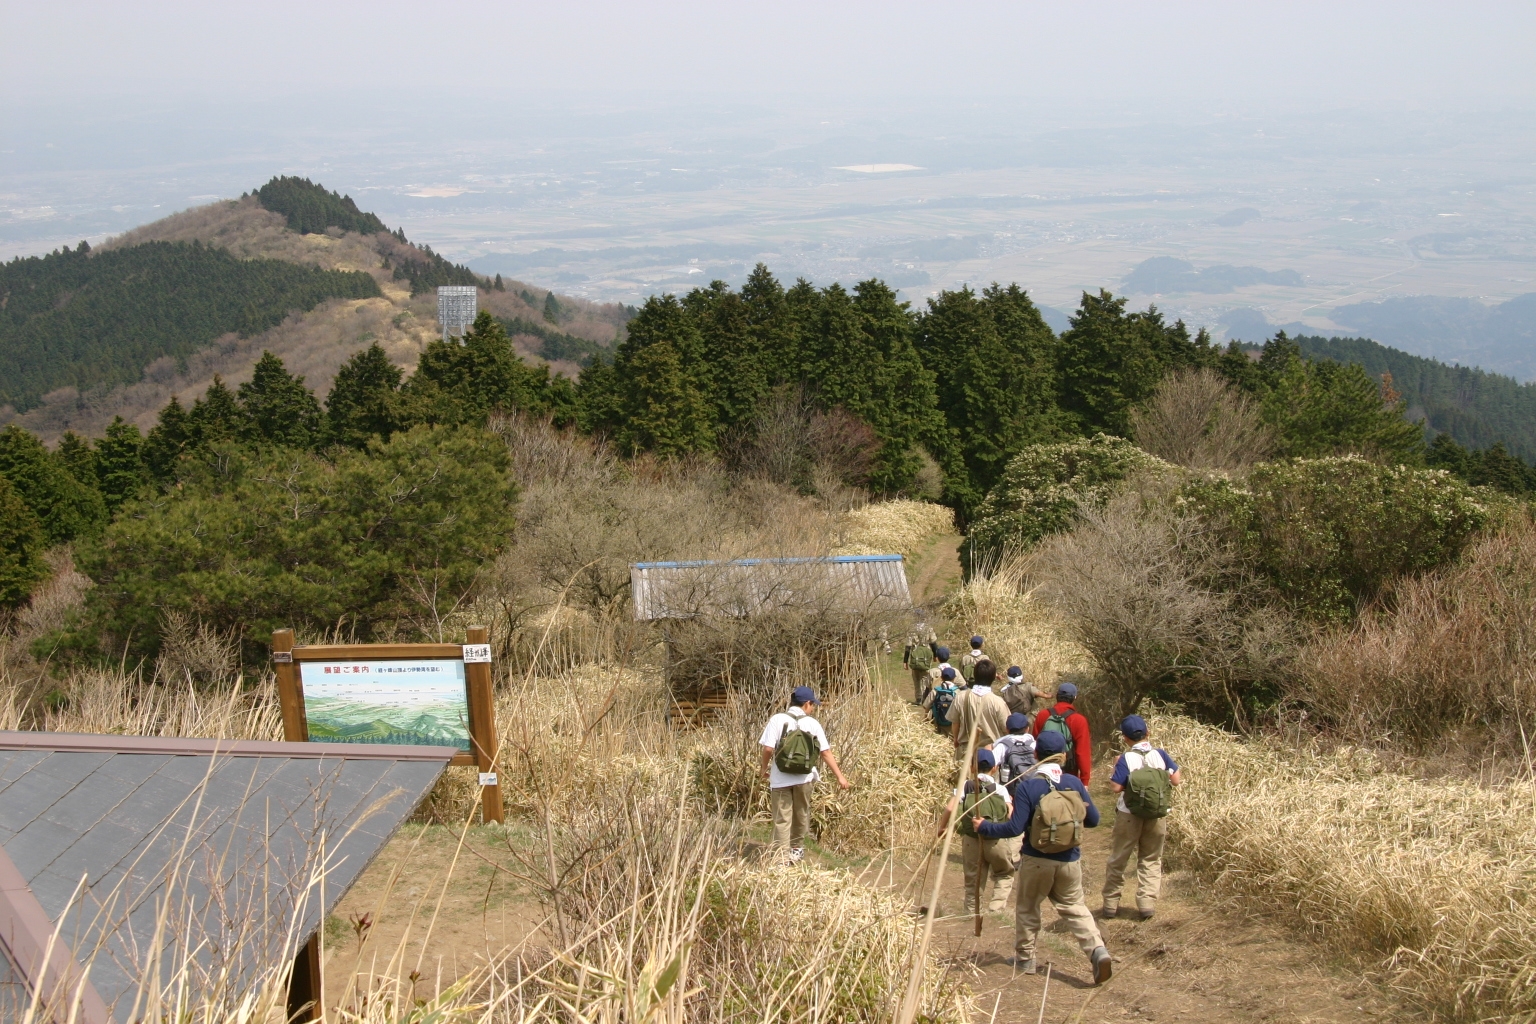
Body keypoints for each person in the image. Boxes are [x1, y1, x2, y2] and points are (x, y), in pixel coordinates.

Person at [975, 730, 1112, 984]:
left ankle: (1025, 958)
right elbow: (1094, 820)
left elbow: (1014, 828)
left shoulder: (1029, 786)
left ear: (1036, 754)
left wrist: (985, 827)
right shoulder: (1074, 783)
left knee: (1028, 908)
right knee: (1075, 908)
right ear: (1063, 755)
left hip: (1036, 859)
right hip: (1070, 860)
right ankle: (1097, 950)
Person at [1102, 715, 1182, 921]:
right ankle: (1147, 904)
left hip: (1129, 814)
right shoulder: (1160, 754)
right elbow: (1176, 780)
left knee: (1119, 857)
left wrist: (1116, 766)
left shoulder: (1126, 758)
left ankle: (1110, 903)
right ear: (1148, 733)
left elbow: (1116, 787)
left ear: (1125, 738)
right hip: (1156, 813)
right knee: (1151, 858)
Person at [758, 685, 850, 864]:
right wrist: (840, 776)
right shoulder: (812, 724)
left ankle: (780, 858)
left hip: (780, 778)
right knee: (801, 813)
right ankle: (796, 850)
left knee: (782, 818)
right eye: (813, 705)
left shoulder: (777, 719)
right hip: (804, 778)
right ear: (807, 703)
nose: (813, 708)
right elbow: (825, 753)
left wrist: (763, 768)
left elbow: (768, 749)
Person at [937, 748, 1018, 914]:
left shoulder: (965, 786)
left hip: (971, 840)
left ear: (972, 768)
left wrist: (942, 828)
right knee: (1004, 873)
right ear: (994, 768)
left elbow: (950, 808)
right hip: (995, 840)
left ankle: (971, 913)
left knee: (973, 881)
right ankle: (995, 910)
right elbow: (1010, 813)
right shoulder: (1000, 789)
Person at [1032, 682, 1093, 784]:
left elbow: (1035, 743)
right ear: (1074, 698)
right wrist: (1085, 780)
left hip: (1044, 773)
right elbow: (1082, 753)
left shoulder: (1042, 715)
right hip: (1069, 775)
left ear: (1057, 696)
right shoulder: (1079, 720)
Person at [949, 660, 1010, 759]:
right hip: (991, 755)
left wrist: (956, 739)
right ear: (993, 677)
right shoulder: (998, 702)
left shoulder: (960, 697)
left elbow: (955, 723)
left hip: (966, 753)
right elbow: (1006, 728)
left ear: (974, 675)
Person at [992, 712, 1037, 791]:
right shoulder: (1034, 744)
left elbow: (990, 767)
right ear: (1027, 729)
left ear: (1007, 729)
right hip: (1033, 788)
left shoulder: (1002, 746)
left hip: (1010, 792)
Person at [903, 616, 938, 703]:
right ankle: (924, 697)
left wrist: (905, 661)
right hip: (926, 657)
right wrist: (935, 655)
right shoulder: (929, 629)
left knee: (916, 678)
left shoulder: (911, 629)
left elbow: (908, 646)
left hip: (915, 657)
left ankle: (918, 698)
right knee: (925, 677)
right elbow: (933, 643)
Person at [921, 666, 959, 737]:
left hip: (937, 722)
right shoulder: (957, 692)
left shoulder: (936, 690)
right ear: (954, 678)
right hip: (953, 724)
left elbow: (926, 705)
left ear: (941, 677)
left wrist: (926, 717)